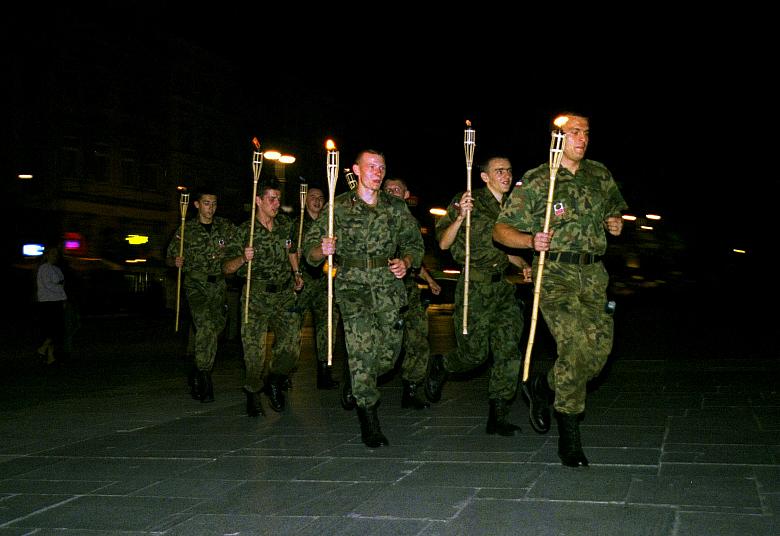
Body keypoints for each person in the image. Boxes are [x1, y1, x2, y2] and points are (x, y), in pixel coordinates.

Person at [493, 111, 627, 467]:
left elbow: (614, 213)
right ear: (559, 138)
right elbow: (500, 231)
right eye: (575, 132)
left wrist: (614, 223)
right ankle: (569, 432)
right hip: (554, 274)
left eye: (586, 132)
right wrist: (529, 241)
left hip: (593, 275)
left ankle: (543, 385)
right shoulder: (539, 179)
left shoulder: (599, 174)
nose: (582, 138)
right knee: (574, 345)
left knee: (598, 354)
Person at [303, 149, 424, 448]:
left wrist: (406, 262)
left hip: (388, 287)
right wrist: (322, 250)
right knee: (361, 349)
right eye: (371, 166)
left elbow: (414, 243)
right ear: (356, 170)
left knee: (388, 356)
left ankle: (358, 377)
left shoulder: (396, 207)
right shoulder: (338, 207)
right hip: (352, 287)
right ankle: (369, 417)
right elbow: (310, 251)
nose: (378, 172)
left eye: (381, 167)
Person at [426, 155, 532, 436]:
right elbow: (444, 243)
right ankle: (442, 363)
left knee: (509, 351)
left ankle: (498, 415)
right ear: (485, 177)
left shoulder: (511, 207)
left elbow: (504, 248)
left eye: (509, 171)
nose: (506, 176)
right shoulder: (467, 200)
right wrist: (461, 216)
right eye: (499, 171)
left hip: (503, 289)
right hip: (474, 288)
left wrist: (522, 264)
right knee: (474, 354)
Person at [223, 178, 304, 417]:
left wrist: (297, 273)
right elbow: (226, 267)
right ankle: (253, 391)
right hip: (255, 295)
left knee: (291, 346)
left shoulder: (285, 225)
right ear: (258, 200)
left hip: (284, 294)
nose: (277, 203)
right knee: (254, 352)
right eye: (272, 199)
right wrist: (243, 258)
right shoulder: (244, 231)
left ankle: (275, 379)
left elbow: (291, 251)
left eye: (278, 199)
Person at [166, 185, 237, 404]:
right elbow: (170, 256)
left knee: (215, 330)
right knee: (205, 326)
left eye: (214, 204)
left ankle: (196, 369)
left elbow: (239, 242)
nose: (211, 208)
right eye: (206, 203)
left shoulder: (225, 227)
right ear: (197, 205)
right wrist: (175, 262)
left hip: (219, 286)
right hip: (196, 285)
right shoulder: (186, 229)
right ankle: (204, 377)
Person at [383, 177, 442, 410]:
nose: (392, 193)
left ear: (406, 194)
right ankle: (359, 381)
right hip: (382, 291)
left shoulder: (411, 223)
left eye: (396, 189)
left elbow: (414, 257)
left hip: (408, 290)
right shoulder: (375, 218)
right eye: (388, 189)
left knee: (418, 339)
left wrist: (430, 280)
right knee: (383, 344)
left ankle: (411, 389)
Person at [293, 185, 340, 390]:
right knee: (293, 328)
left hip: (324, 283)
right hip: (303, 282)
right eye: (313, 197)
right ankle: (285, 370)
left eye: (320, 197)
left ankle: (324, 372)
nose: (317, 201)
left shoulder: (330, 224)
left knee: (327, 328)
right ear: (305, 200)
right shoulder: (297, 225)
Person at [35, 245, 68, 366]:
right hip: (48, 302)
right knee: (54, 329)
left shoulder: (57, 269)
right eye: (52, 253)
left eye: (56, 254)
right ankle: (43, 349)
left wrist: (62, 297)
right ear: (47, 255)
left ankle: (50, 356)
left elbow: (61, 284)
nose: (55, 256)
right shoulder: (44, 268)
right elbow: (48, 285)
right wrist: (60, 289)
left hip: (57, 300)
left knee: (54, 329)